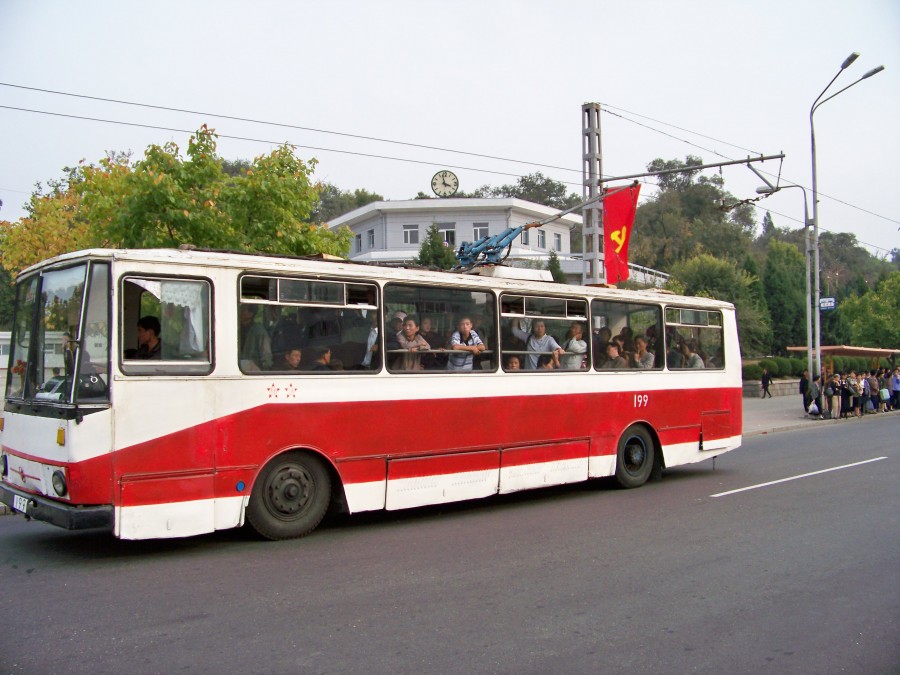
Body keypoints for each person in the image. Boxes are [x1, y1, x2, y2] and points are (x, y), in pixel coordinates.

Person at [239, 304, 273, 371]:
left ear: (250, 314)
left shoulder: (259, 331)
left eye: (243, 310)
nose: (239, 312)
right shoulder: (236, 329)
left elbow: (266, 356)